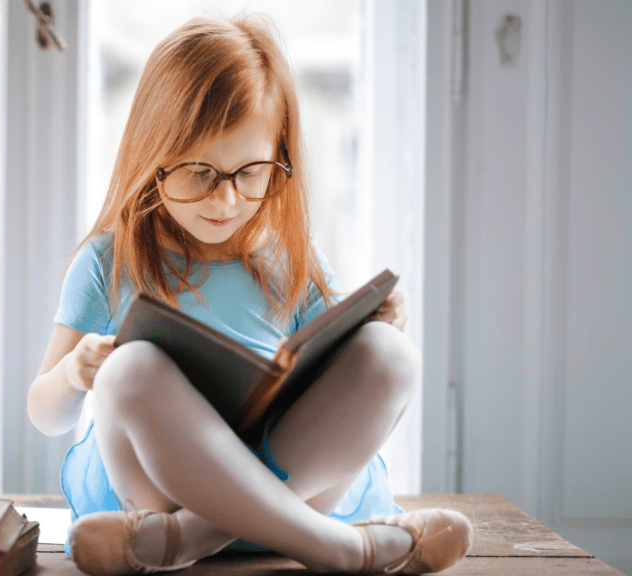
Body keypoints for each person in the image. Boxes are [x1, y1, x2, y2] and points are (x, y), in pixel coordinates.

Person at [27, 14, 473, 576]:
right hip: (156, 493)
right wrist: (74, 373)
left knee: (390, 354)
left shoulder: (292, 258)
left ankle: (191, 539)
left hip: (276, 487)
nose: (226, 200)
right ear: (152, 156)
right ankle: (343, 549)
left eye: (251, 172)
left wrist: (376, 324)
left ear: (278, 160)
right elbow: (43, 413)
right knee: (128, 368)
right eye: (197, 172)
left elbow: (342, 375)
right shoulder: (109, 261)